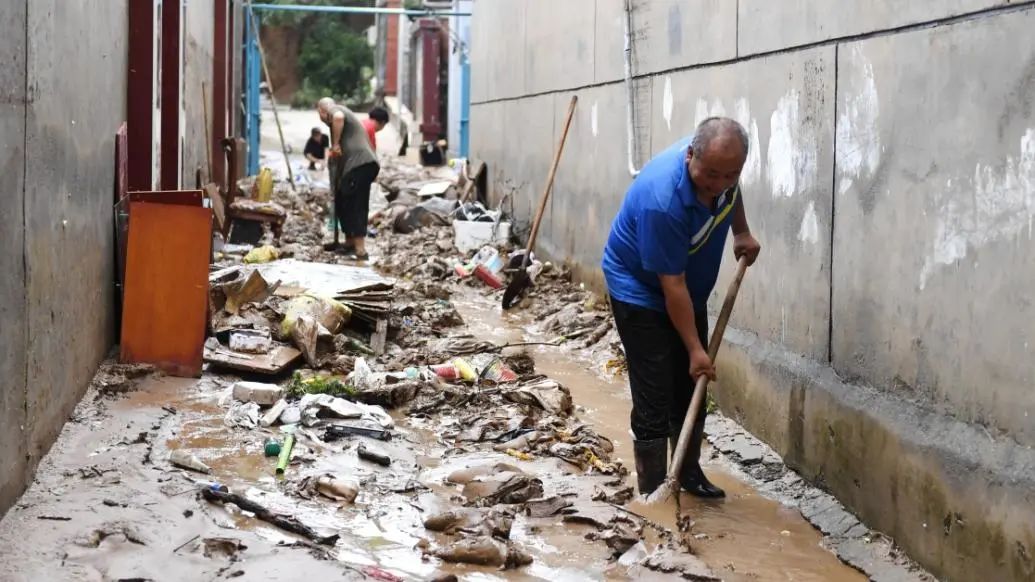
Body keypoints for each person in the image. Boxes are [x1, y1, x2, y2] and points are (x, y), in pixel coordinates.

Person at [602, 117, 762, 498]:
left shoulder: (721, 170)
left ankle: (688, 474)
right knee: (655, 391)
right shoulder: (664, 200)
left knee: (691, 383)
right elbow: (670, 287)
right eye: (710, 175)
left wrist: (741, 231)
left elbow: (731, 192)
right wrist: (694, 349)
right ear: (691, 155)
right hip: (640, 289)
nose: (718, 184)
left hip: (685, 289)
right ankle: (655, 490)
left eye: (729, 175)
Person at [317, 97, 380, 261]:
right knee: (344, 199)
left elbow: (338, 117)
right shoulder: (341, 120)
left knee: (356, 203)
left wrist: (336, 144)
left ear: (323, 111)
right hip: (358, 166)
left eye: (319, 114)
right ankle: (349, 242)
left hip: (359, 164)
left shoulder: (335, 111)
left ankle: (360, 249)